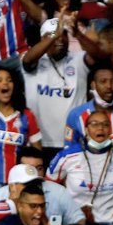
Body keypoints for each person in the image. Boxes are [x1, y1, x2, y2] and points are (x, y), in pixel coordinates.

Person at [22, 17, 89, 161]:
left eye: (62, 34)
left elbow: (99, 56)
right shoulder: (33, 59)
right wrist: (54, 36)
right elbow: (27, 61)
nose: (59, 39)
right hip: (39, 143)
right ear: (42, 39)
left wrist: (78, 34)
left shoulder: (79, 59)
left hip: (73, 142)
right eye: (52, 34)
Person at [0, 64, 42, 203]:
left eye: (9, 80)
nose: (5, 83)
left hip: (17, 185)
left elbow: (37, 152)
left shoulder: (27, 115)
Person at [63, 64, 113, 149]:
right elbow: (68, 148)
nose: (109, 86)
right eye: (103, 81)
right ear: (93, 85)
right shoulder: (76, 115)